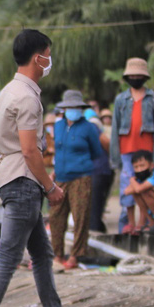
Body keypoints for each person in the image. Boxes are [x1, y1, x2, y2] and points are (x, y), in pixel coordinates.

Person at [0, 29, 92, 307]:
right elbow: (29, 150)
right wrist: (50, 187)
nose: (49, 61)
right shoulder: (26, 97)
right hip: (23, 180)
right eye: (48, 55)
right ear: (38, 58)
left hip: (14, 178)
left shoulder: (9, 91)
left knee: (42, 255)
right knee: (9, 256)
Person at [49, 90, 104, 269]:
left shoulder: (88, 127)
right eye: (70, 107)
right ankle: (57, 254)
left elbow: (96, 152)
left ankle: (76, 255)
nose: (73, 110)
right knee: (56, 216)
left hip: (81, 177)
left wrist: (81, 164)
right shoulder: (58, 126)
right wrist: (54, 172)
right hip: (61, 177)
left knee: (80, 216)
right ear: (64, 109)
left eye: (76, 107)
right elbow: (57, 150)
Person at [110, 58, 154, 234]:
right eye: (132, 75)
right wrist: (115, 157)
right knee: (127, 187)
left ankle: (144, 222)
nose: (135, 78)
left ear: (144, 77)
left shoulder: (153, 98)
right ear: (127, 77)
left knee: (146, 188)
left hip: (147, 151)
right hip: (126, 150)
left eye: (138, 75)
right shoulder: (121, 99)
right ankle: (130, 223)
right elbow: (115, 129)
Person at [88, 108, 115, 233]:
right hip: (100, 170)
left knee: (95, 204)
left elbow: (106, 142)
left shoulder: (92, 126)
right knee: (97, 204)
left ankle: (95, 230)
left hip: (98, 170)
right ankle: (97, 227)